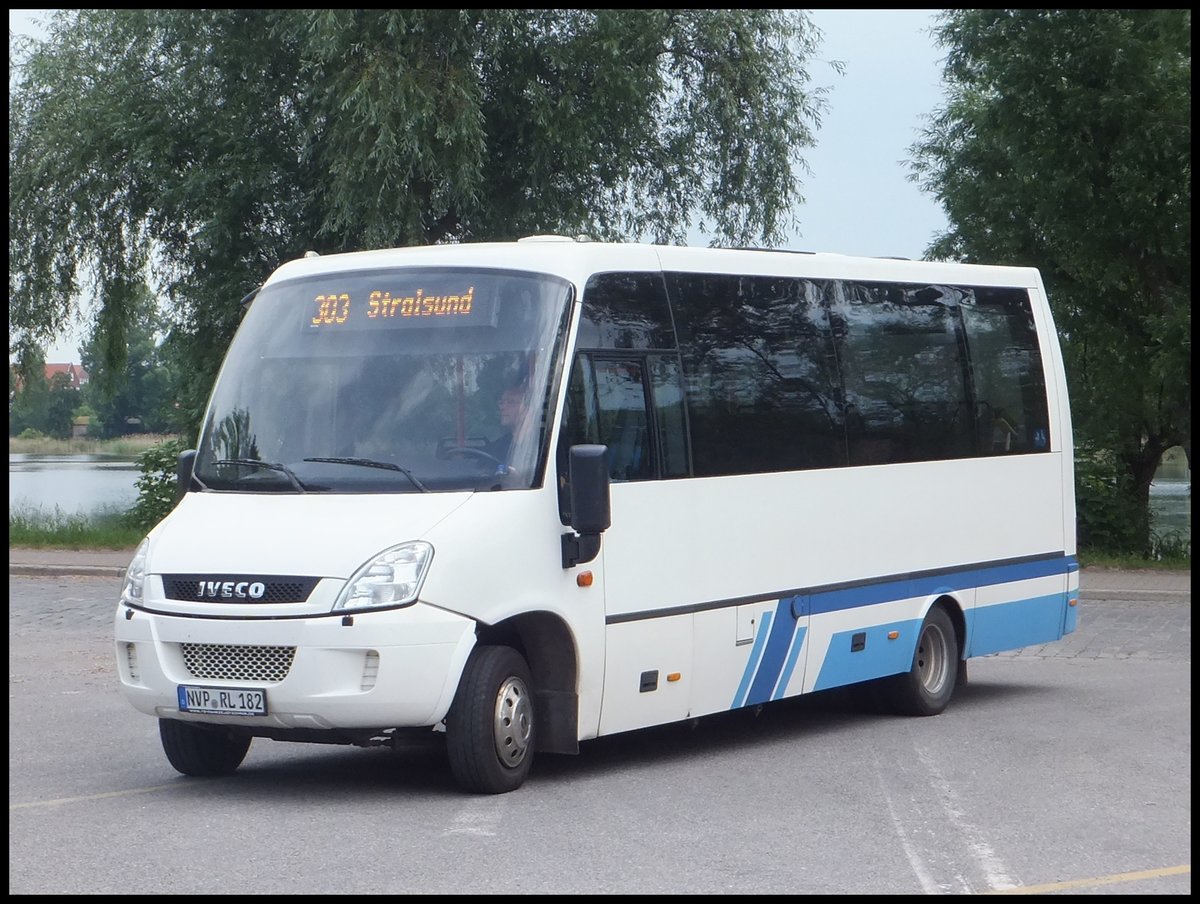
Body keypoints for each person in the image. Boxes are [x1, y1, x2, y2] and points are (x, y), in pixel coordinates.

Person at [482, 382, 532, 468]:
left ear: (527, 408)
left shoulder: (543, 445)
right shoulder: (498, 447)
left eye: (511, 402)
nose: (503, 407)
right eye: (501, 402)